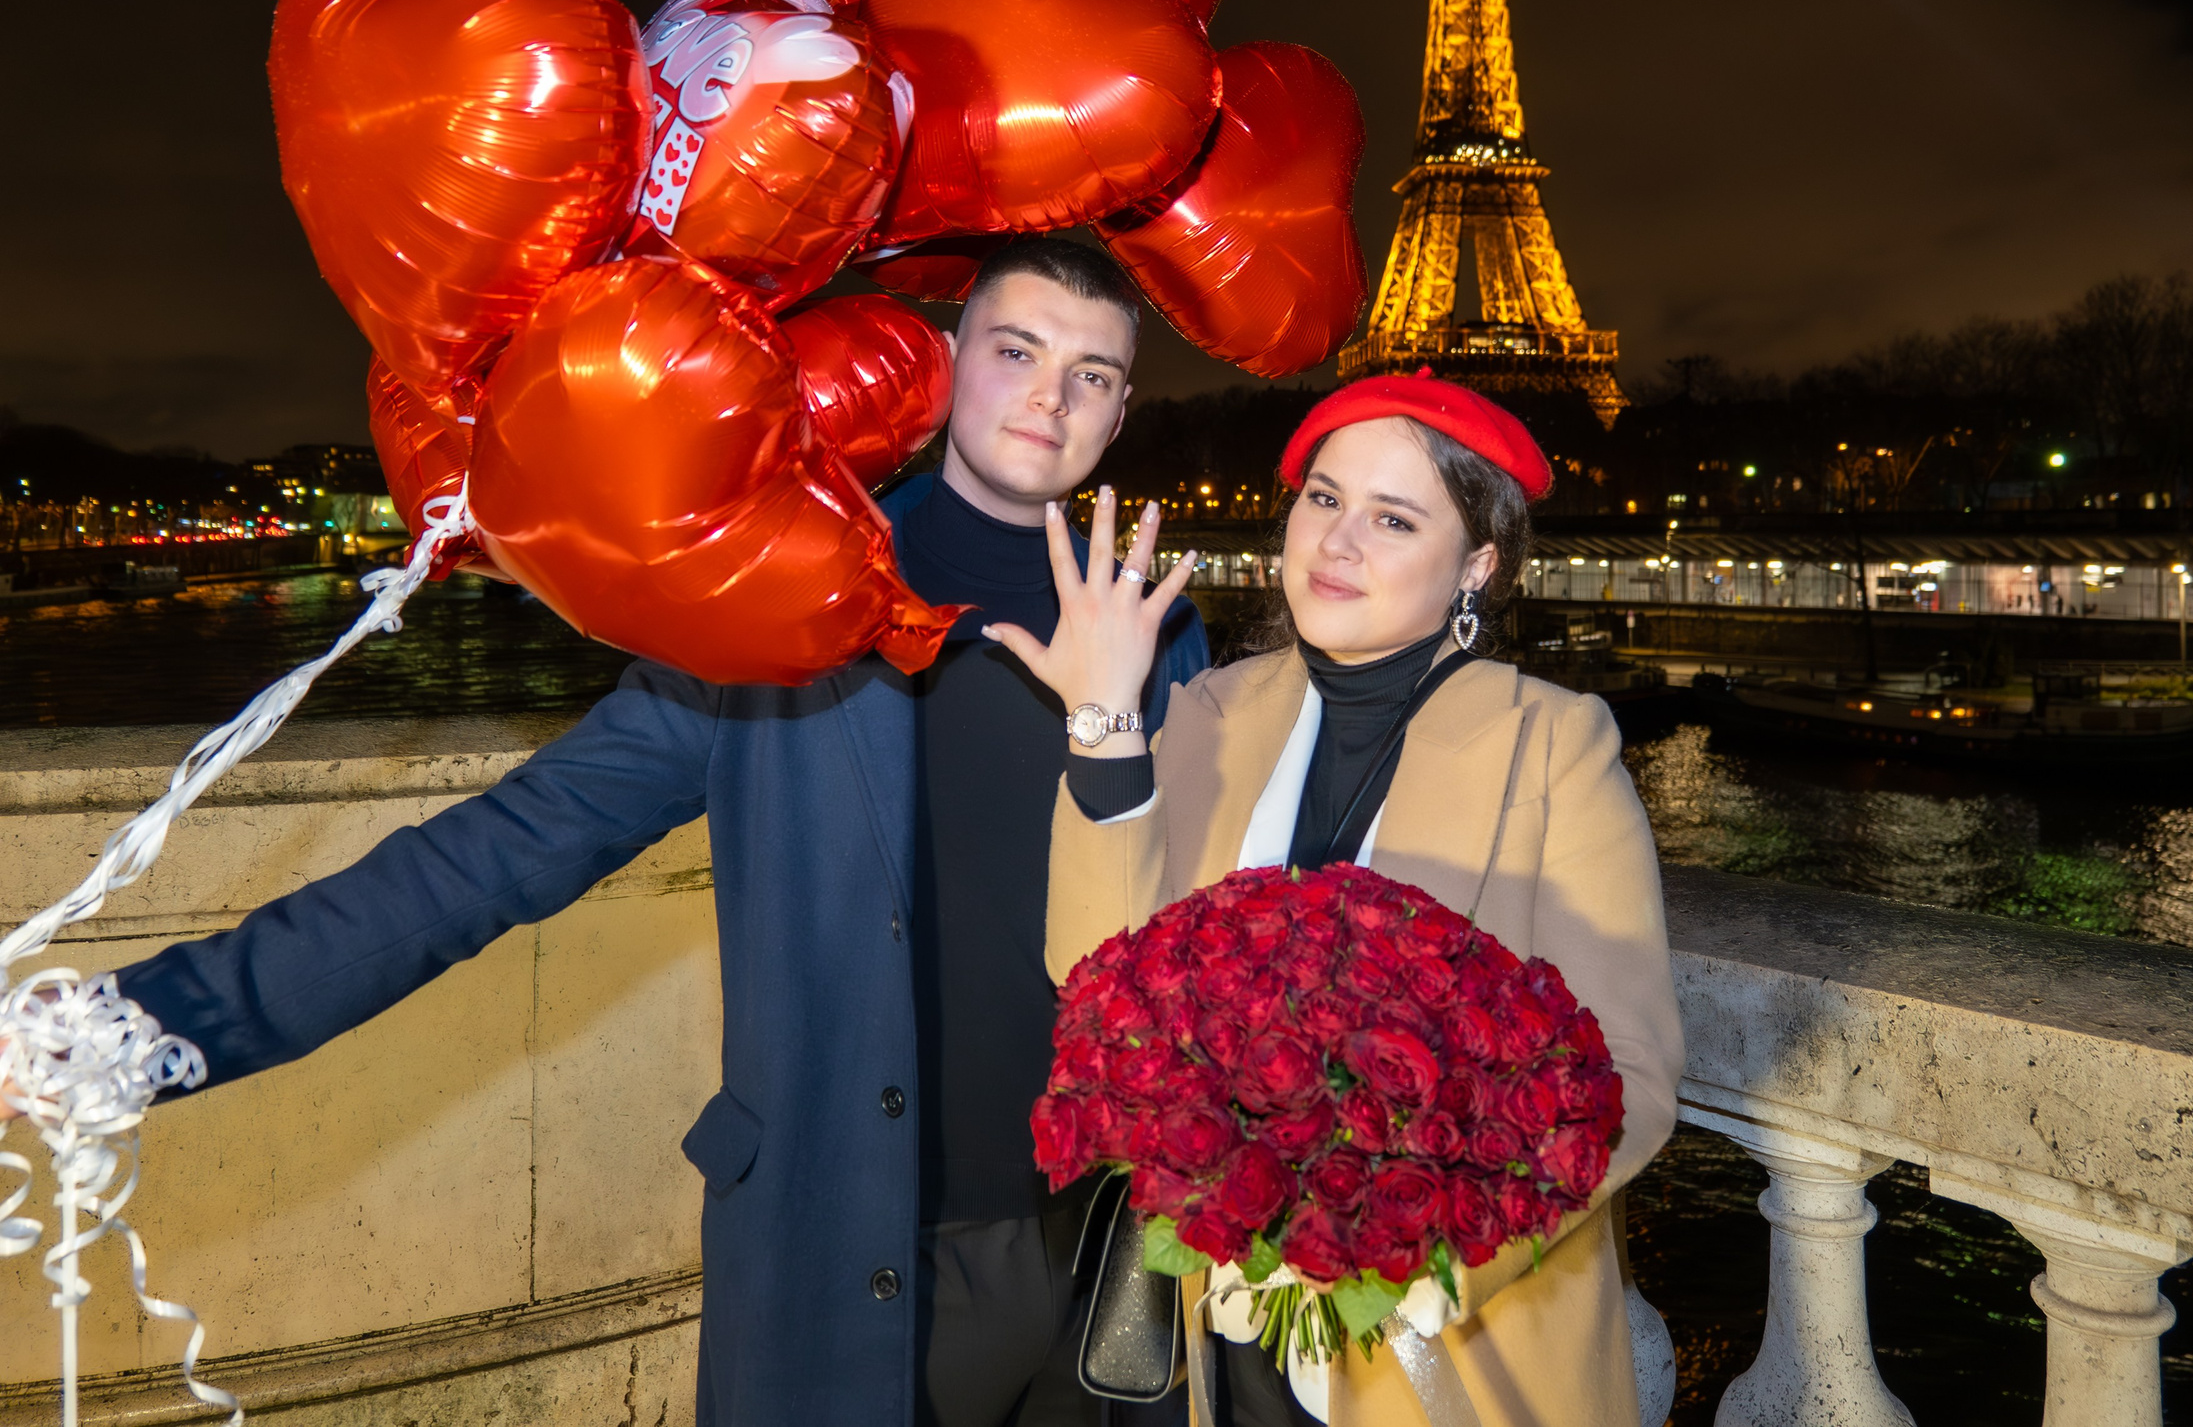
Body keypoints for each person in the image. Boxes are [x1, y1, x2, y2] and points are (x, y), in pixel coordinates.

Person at [2, 237, 1208, 1427]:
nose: (1051, 397)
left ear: (1119, 412)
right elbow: (499, 851)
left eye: (1092, 373)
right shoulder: (766, 602)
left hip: (1105, 1245)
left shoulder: (1167, 636)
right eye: (1016, 350)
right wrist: (131, 1026)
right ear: (947, 359)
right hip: (843, 1239)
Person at [990, 372, 1684, 1427]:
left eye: (1393, 517)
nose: (1337, 539)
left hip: (1439, 1352)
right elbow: (1099, 979)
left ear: (1479, 564)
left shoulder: (1553, 745)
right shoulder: (1213, 709)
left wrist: (1417, 1253)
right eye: (1323, 497)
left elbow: (1628, 1074)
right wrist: (1105, 725)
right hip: (1223, 1346)